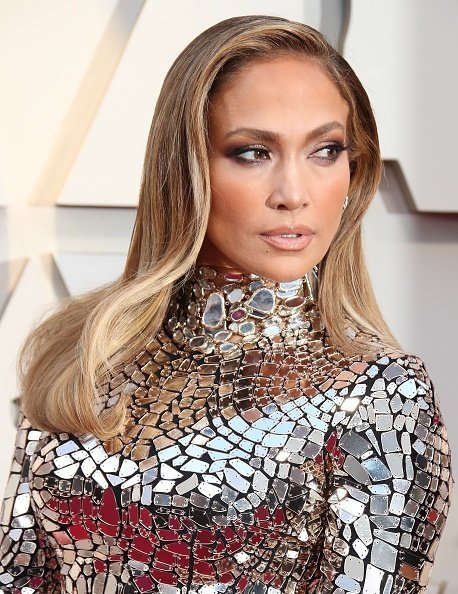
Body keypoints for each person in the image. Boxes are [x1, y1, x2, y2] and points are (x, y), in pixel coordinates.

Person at [0, 14, 452, 594]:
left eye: (326, 149)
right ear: (186, 168)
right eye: (252, 152)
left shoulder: (381, 393)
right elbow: (20, 573)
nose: (294, 194)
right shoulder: (79, 350)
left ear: (353, 168)